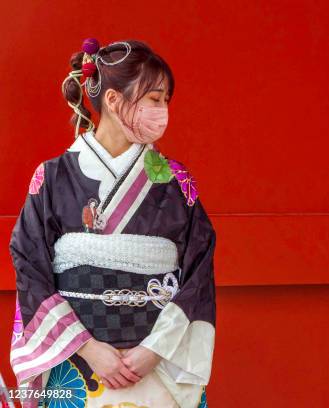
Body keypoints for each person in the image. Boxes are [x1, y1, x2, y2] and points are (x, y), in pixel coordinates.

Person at [8, 38, 216, 408]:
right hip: (77, 364)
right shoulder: (53, 178)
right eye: (154, 98)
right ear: (114, 100)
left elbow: (198, 274)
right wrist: (89, 350)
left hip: (157, 367)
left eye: (166, 100)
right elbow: (30, 267)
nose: (163, 109)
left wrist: (153, 350)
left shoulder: (176, 180)